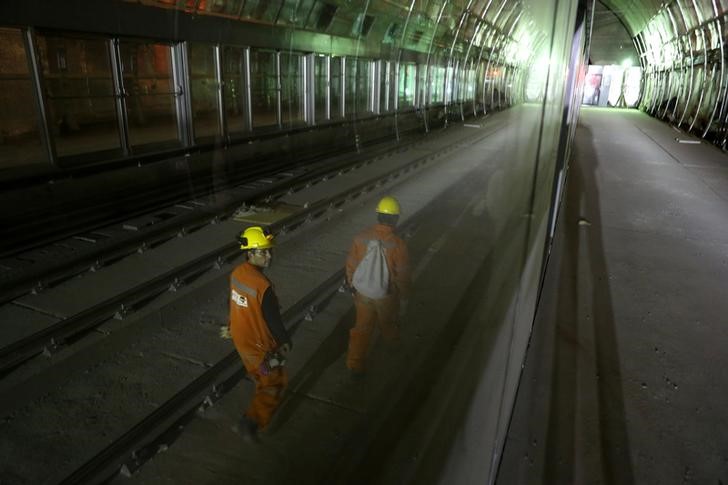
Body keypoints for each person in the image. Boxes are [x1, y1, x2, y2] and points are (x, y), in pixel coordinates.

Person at [224, 226, 291, 443]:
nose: (269, 255)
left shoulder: (236, 274)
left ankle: (248, 418)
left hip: (241, 340)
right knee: (273, 382)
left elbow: (234, 304)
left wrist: (230, 326)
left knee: (260, 378)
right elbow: (274, 321)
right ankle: (249, 423)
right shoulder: (263, 286)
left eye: (269, 250)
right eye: (263, 252)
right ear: (250, 253)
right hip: (259, 348)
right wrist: (285, 341)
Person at [345, 196, 410, 378]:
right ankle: (394, 352)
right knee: (388, 325)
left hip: (363, 293)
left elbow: (351, 264)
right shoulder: (398, 245)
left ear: (378, 215)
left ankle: (354, 365)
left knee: (361, 329)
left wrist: (352, 285)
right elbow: (402, 275)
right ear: (395, 218)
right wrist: (405, 296)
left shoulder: (361, 238)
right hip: (385, 296)